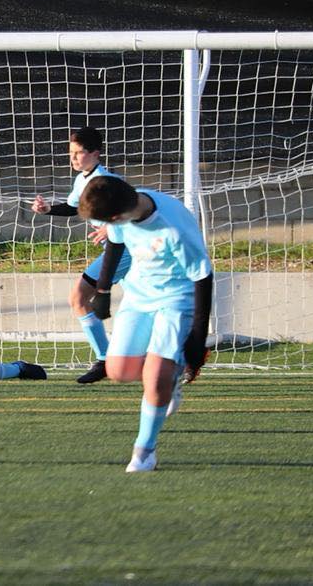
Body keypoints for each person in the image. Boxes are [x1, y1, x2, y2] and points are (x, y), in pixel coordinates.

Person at [78, 175, 213, 473]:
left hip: (177, 299)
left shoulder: (173, 230)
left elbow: (203, 277)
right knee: (118, 371)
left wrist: (197, 338)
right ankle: (167, 376)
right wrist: (102, 290)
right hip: (139, 297)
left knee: (155, 378)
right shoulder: (124, 204)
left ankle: (144, 451)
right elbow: (115, 246)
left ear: (116, 216)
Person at [31, 126, 133, 385]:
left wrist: (110, 227)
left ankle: (105, 360)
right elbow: (73, 207)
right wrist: (47, 210)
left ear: (95, 153)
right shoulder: (83, 180)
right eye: (71, 153)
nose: (74, 158)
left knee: (78, 297)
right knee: (146, 307)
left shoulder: (106, 180)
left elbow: (131, 208)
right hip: (119, 250)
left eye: (79, 153)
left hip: (125, 250)